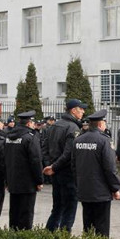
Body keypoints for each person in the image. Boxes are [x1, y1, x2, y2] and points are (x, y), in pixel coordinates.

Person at [72, 109, 120, 239]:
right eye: (104, 122)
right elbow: (110, 168)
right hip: (101, 192)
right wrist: (115, 188)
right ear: (100, 125)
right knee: (102, 226)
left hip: (84, 190)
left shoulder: (78, 140)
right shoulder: (104, 141)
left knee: (87, 225)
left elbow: (73, 166)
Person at [43, 99, 86, 231]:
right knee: (69, 207)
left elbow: (44, 148)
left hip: (55, 172)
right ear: (73, 110)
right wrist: (54, 167)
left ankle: (49, 233)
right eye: (81, 109)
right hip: (67, 173)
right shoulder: (73, 128)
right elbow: (69, 154)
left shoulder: (54, 125)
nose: (83, 112)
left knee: (57, 206)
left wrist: (49, 166)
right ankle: (63, 236)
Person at [4, 110, 43, 230]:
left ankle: (13, 234)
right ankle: (24, 238)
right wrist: (39, 181)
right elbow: (35, 160)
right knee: (26, 213)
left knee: (14, 211)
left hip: (13, 180)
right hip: (27, 183)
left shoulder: (8, 137)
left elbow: (5, 159)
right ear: (29, 123)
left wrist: (7, 180)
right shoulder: (30, 138)